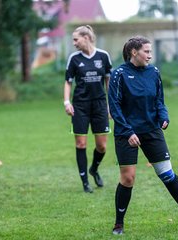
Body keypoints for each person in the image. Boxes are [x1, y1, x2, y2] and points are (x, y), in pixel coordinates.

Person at [108, 36, 178, 235]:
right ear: (134, 52)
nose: (150, 55)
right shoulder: (119, 74)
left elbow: (159, 99)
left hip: (151, 130)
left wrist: (164, 116)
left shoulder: (154, 72)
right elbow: (114, 107)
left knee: (167, 174)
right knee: (128, 179)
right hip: (126, 133)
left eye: (151, 51)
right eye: (146, 51)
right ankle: (118, 223)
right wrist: (128, 131)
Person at [64, 25, 112, 193]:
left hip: (99, 105)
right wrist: (66, 102)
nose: (74, 43)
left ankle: (94, 169)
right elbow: (68, 81)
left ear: (86, 37)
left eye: (76, 39)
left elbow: (108, 81)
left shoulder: (103, 56)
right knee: (81, 143)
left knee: (102, 146)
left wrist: (110, 104)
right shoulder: (74, 58)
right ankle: (85, 182)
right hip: (80, 106)